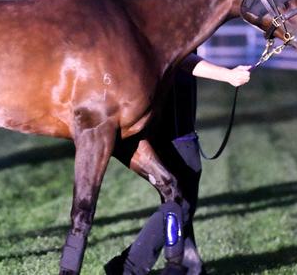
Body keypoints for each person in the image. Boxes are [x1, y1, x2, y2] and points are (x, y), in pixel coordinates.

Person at [105, 53, 251, 275]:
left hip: (175, 124)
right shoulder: (168, 20)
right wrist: (227, 75)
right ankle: (127, 267)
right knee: (182, 201)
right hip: (173, 129)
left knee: (179, 198)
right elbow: (179, 57)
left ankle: (190, 264)